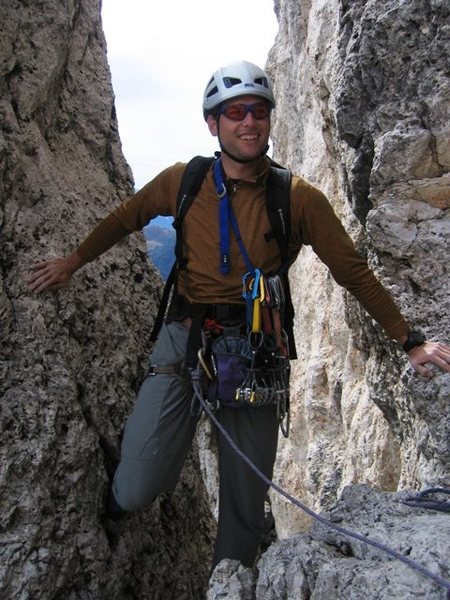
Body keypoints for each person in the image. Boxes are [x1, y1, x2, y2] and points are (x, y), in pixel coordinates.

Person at [27, 61, 450, 569]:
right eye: (234, 112)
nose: (248, 122)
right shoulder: (183, 181)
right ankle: (111, 512)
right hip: (185, 337)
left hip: (255, 351)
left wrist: (411, 341)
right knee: (137, 483)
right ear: (214, 123)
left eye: (258, 111)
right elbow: (125, 218)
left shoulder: (296, 199)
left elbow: (353, 272)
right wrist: (72, 262)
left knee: (245, 506)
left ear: (269, 120)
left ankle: (229, 582)